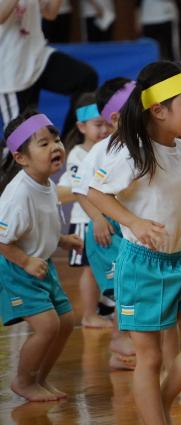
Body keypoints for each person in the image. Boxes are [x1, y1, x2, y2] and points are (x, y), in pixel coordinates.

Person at [88, 61, 181, 423]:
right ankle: (155, 415)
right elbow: (96, 193)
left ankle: (157, 405)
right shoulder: (132, 152)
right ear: (159, 110)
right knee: (149, 359)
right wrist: (133, 222)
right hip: (142, 267)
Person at [0, 111, 82, 401]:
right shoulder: (17, 195)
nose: (55, 147)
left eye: (56, 140)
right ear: (21, 157)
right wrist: (25, 261)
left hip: (41, 264)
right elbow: (2, 240)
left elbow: (36, 227)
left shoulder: (46, 184)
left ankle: (40, 379)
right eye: (44, 143)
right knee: (47, 326)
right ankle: (23, 381)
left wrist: (61, 240)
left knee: (66, 322)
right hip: (17, 267)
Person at [72, 77, 137, 369]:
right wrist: (97, 219)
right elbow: (81, 189)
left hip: (126, 229)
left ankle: (123, 349)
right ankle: (120, 339)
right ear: (116, 117)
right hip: (106, 232)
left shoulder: (138, 144)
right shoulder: (102, 149)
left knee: (133, 286)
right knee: (125, 287)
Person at [0, 0, 98, 136]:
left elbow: (50, 13)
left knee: (86, 78)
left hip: (39, 56)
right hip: (11, 68)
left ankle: (72, 139)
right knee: (21, 135)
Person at [58, 92, 113, 329]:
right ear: (82, 126)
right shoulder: (78, 155)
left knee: (105, 266)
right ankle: (89, 315)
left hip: (104, 218)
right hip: (86, 220)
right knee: (90, 270)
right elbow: (82, 191)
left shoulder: (108, 149)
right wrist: (97, 218)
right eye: (98, 125)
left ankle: (104, 308)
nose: (104, 130)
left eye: (108, 124)